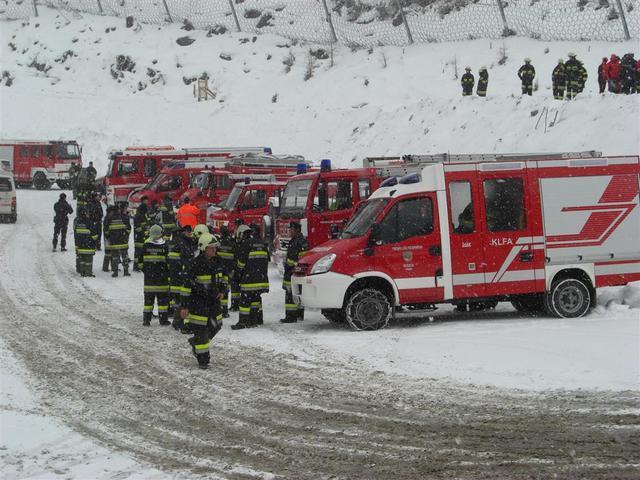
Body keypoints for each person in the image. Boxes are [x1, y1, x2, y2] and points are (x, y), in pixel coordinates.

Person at [180, 233, 225, 369]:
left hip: (213, 303)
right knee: (201, 332)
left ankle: (196, 343)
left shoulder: (218, 262)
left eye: (215, 248)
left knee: (217, 325)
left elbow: (224, 278)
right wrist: (185, 306)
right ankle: (203, 360)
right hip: (198, 304)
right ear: (204, 248)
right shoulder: (195, 264)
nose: (214, 251)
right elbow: (186, 287)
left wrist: (223, 290)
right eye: (212, 248)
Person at [232, 225, 269, 330]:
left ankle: (243, 322)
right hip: (261, 279)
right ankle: (254, 320)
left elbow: (241, 264)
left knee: (245, 301)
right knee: (255, 300)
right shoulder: (262, 244)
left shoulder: (246, 244)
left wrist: (238, 275)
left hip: (249, 280)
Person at [142, 224, 171, 326]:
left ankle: (146, 320)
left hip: (149, 280)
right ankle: (163, 320)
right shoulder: (164, 246)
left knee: (148, 302)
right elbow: (168, 263)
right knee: (162, 302)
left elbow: (141, 263)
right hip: (162, 280)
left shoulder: (145, 246)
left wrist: (147, 271)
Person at [280, 222, 308, 323]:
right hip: (291, 271)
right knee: (293, 293)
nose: (289, 232)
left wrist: (293, 268)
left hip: (294, 272)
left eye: (291, 229)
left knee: (291, 294)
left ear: (297, 230)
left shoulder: (301, 242)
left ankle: (291, 316)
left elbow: (302, 259)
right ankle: (298, 315)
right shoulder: (294, 241)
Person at [168, 225, 194, 329]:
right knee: (181, 299)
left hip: (174, 274)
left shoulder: (172, 242)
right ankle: (178, 321)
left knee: (177, 299)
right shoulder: (182, 243)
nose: (190, 234)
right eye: (188, 232)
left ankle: (176, 320)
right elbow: (187, 258)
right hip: (180, 275)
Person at [105, 202, 131, 277]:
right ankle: (126, 271)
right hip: (123, 240)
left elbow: (106, 230)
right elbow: (128, 228)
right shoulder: (124, 217)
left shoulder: (110, 218)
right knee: (124, 256)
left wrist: (109, 237)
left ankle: (115, 271)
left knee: (115, 257)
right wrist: (125, 235)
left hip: (114, 241)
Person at [216, 226, 235, 318]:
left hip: (219, 270)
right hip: (229, 270)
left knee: (218, 289)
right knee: (226, 289)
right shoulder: (232, 243)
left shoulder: (218, 243)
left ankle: (219, 310)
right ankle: (224, 310)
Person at [73, 207, 97, 277]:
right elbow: (94, 234)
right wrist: (95, 241)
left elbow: (76, 232)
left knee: (82, 259)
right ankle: (88, 273)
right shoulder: (89, 222)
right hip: (88, 244)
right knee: (88, 260)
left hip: (80, 244)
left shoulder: (77, 221)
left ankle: (82, 271)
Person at [133, 196, 150, 271]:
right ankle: (136, 266)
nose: (147, 202)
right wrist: (144, 227)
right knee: (138, 251)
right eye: (146, 200)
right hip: (139, 235)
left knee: (143, 251)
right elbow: (137, 227)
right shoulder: (139, 214)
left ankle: (141, 265)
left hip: (144, 235)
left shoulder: (144, 212)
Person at [102, 205, 117, 272]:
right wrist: (108, 236)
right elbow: (106, 229)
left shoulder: (110, 218)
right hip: (107, 238)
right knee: (108, 252)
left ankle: (113, 267)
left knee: (113, 253)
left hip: (111, 237)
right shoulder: (107, 218)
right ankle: (105, 267)